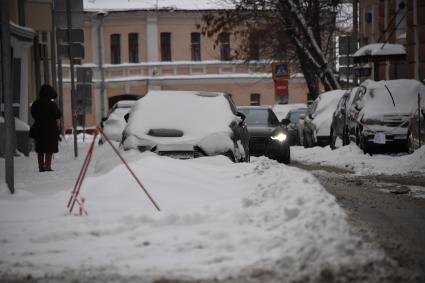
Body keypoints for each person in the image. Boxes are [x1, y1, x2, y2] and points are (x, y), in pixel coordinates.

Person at [30, 85, 62, 172]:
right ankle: (48, 166)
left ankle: (41, 167)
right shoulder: (52, 104)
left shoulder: (36, 104)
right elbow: (58, 114)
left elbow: (33, 114)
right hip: (50, 130)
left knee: (40, 148)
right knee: (49, 148)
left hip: (39, 128)